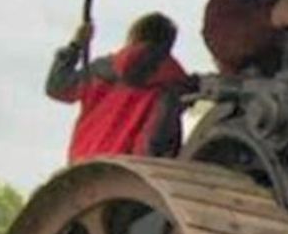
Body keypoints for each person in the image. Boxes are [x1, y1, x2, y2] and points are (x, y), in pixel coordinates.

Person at [45, 13, 189, 162]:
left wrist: (76, 44)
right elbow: (160, 136)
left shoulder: (101, 69)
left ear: (134, 36)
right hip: (130, 171)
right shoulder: (174, 83)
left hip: (84, 165)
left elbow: (57, 88)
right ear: (169, 43)